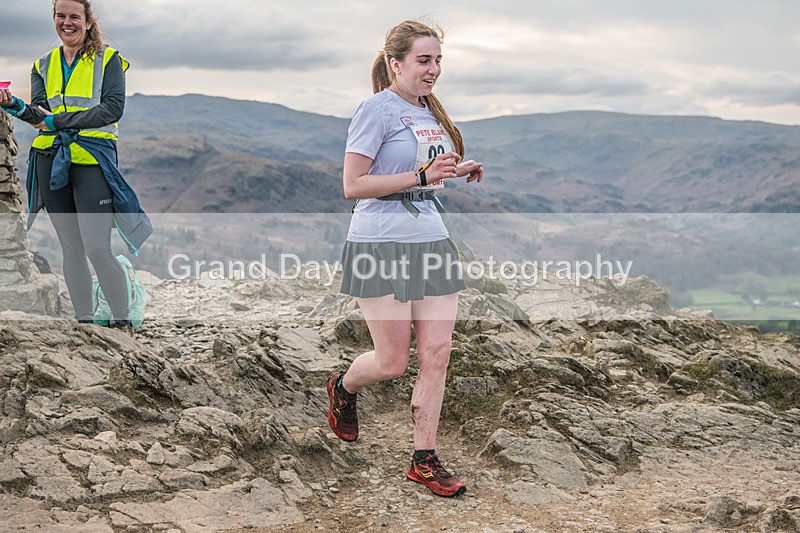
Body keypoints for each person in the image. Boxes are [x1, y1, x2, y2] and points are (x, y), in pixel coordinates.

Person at [327, 20, 484, 498]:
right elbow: (353, 185)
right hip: (380, 242)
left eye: (438, 60)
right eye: (424, 60)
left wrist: (452, 171)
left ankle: (424, 459)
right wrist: (419, 175)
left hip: (431, 239)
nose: (434, 69)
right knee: (393, 362)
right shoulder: (376, 110)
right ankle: (344, 387)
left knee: (437, 353)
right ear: (396, 63)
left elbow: (420, 173)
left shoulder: (428, 112)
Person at [0, 0, 152, 334]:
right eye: (60, 16)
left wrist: (58, 122)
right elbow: (40, 118)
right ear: (54, 19)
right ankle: (85, 325)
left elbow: (112, 109)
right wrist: (14, 106)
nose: (66, 22)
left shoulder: (109, 60)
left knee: (98, 248)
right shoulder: (42, 64)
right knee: (71, 248)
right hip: (50, 161)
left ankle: (122, 325)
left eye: (73, 16)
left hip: (92, 161)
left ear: (86, 20)